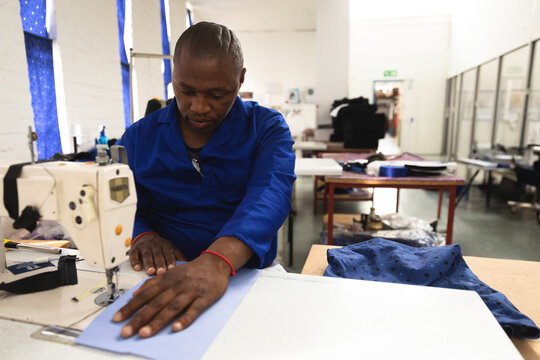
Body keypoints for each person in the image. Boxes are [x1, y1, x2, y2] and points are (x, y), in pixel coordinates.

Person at [112, 22, 296, 338]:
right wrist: (142, 235)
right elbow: (122, 203)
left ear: (240, 79)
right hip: (163, 272)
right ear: (172, 78)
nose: (199, 107)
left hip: (246, 273)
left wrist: (217, 261)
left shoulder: (265, 128)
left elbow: (271, 193)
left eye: (216, 94)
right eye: (185, 91)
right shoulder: (139, 137)